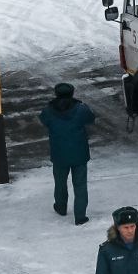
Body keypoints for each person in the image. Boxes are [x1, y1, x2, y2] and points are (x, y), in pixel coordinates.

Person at [39, 82, 96, 224]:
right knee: (80, 185)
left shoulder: (48, 111)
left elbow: (43, 120)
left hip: (59, 154)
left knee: (60, 182)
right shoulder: (81, 109)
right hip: (79, 154)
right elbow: (91, 119)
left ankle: (60, 207)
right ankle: (80, 216)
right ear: (72, 93)